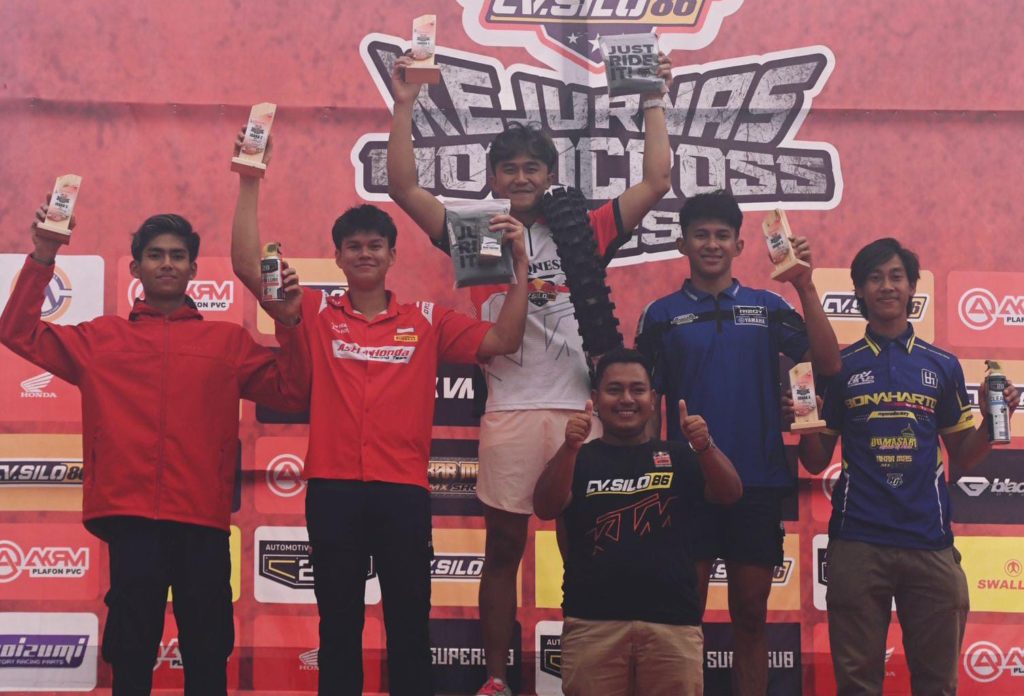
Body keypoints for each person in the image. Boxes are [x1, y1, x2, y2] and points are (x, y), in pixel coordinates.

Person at [386, 46, 674, 696]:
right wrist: (405, 104)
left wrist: (654, 101)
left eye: (532, 167)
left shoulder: (583, 228)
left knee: (588, 550)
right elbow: (404, 188)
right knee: (502, 553)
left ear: (549, 175)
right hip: (511, 410)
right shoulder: (477, 233)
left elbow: (656, 181)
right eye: (510, 168)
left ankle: (592, 675)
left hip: (582, 410)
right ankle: (496, 679)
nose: (521, 177)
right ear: (494, 177)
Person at [230, 130, 531, 696]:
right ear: (338, 257)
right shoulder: (314, 310)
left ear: (393, 255)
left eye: (375, 245)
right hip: (334, 491)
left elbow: (504, 340)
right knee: (339, 626)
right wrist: (250, 178)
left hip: (402, 492)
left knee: (409, 627)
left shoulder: (427, 320)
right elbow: (248, 265)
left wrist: (519, 267)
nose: (365, 253)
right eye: (354, 246)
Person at [0, 206, 308, 695]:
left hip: (202, 520)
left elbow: (293, 392)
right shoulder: (101, 339)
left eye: (177, 256)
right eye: (156, 255)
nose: (167, 263)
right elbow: (17, 331)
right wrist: (43, 254)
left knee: (207, 655)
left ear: (193, 268)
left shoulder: (227, 342)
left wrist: (289, 322)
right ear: (135, 268)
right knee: (131, 655)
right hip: (130, 519)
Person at [635, 190, 841, 695]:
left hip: (758, 481)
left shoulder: (769, 307)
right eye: (701, 235)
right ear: (682, 244)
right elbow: (644, 404)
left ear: (740, 245)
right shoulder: (659, 315)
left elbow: (827, 363)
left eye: (722, 236)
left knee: (750, 617)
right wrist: (649, 476)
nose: (711, 244)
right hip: (688, 486)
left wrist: (805, 285)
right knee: (683, 619)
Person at [794, 238, 1019, 695]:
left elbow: (964, 454)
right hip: (858, 542)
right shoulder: (839, 368)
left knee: (937, 685)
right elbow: (815, 461)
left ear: (913, 287)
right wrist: (804, 422)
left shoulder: (943, 365)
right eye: (875, 278)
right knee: (858, 686)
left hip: (929, 542)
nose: (887, 286)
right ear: (859, 291)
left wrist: (994, 420)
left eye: (896, 276)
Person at [532, 348, 741, 695]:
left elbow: (730, 493)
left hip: (673, 625)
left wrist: (705, 447)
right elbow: (544, 506)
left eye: (637, 389)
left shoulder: (679, 456)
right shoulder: (580, 457)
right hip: (593, 624)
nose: (626, 399)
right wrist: (568, 447)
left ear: (653, 399)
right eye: (614, 390)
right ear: (595, 398)